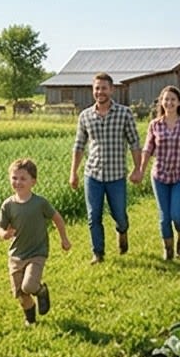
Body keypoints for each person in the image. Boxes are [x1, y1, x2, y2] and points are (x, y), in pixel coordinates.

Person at [69, 72, 142, 263]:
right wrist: (73, 173)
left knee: (120, 215)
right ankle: (98, 253)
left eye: (103, 88)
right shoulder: (85, 116)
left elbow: (134, 143)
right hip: (93, 175)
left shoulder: (124, 113)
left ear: (111, 90)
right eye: (96, 88)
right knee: (94, 216)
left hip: (116, 176)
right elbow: (79, 145)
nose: (99, 92)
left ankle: (122, 231)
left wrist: (138, 169)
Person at [0, 158, 71, 325]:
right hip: (16, 255)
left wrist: (64, 239)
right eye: (14, 178)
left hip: (37, 252)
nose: (18, 182)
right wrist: (4, 234)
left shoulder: (40, 203)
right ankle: (31, 320)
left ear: (33, 182)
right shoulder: (8, 205)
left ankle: (41, 290)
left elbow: (57, 218)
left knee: (29, 286)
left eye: (23, 178)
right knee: (21, 294)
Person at [138, 85, 180, 260]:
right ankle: (168, 250)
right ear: (161, 102)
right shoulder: (154, 125)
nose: (169, 102)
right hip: (160, 176)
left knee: (177, 215)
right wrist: (141, 170)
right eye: (166, 99)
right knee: (164, 217)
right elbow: (147, 149)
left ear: (179, 102)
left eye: (173, 99)